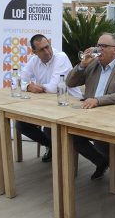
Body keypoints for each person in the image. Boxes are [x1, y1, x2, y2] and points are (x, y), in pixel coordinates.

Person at [66, 32, 115, 179]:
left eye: (104, 46)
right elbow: (70, 83)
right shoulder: (92, 65)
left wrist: (97, 100)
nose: (99, 49)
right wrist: (82, 65)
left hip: (113, 119)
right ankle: (101, 161)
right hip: (89, 116)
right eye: (98, 45)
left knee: (102, 141)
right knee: (70, 134)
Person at [16, 34, 81, 162]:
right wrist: (29, 86)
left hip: (70, 104)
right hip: (48, 106)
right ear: (34, 52)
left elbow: (54, 87)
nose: (46, 51)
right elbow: (18, 80)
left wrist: (39, 87)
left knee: (49, 127)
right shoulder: (34, 60)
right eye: (41, 50)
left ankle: (58, 150)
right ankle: (53, 146)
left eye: (47, 47)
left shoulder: (60, 57)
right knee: (21, 124)